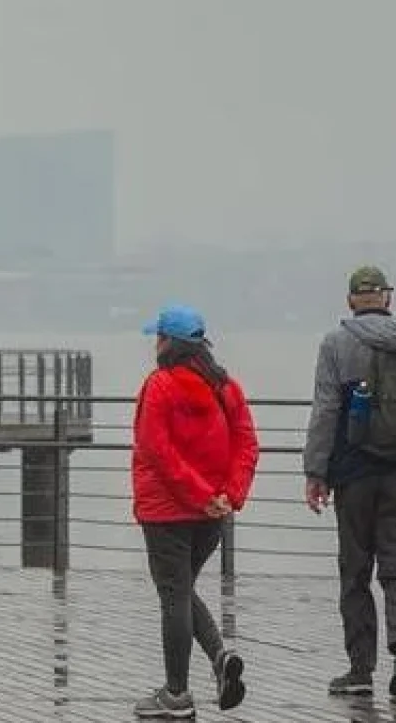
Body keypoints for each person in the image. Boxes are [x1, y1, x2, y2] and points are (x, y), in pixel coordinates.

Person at [301, 265, 396, 700]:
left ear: (351, 301)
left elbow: (326, 411)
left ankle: (360, 669)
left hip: (355, 477)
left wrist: (316, 472)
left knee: (355, 574)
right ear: (388, 298)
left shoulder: (336, 343)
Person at [131, 303, 261, 720]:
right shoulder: (228, 388)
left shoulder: (160, 386)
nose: (156, 343)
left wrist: (201, 494)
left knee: (173, 595)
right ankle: (221, 658)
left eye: (159, 337)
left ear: (168, 343)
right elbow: (247, 446)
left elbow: (158, 451)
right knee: (181, 589)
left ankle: (176, 694)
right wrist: (228, 495)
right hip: (211, 516)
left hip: (167, 512)